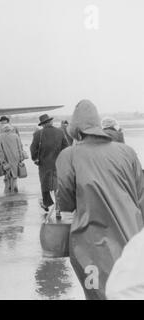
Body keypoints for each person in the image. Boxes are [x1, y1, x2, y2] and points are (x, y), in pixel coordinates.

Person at [56, 99, 144, 300]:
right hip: (132, 238)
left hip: (91, 245)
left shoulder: (68, 156)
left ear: (76, 130)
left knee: (98, 295)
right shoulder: (127, 152)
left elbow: (67, 204)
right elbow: (141, 199)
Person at [30, 114, 68, 213]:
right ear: (50, 122)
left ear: (42, 124)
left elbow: (33, 149)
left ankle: (46, 203)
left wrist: (35, 159)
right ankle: (58, 208)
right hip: (57, 163)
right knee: (57, 186)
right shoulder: (60, 132)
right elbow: (66, 147)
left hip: (44, 163)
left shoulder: (38, 134)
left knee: (44, 184)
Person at [0, 124, 23, 194]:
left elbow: (0, 149)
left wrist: (2, 159)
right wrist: (21, 157)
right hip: (16, 157)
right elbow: (19, 147)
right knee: (15, 173)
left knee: (8, 172)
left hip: (6, 157)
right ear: (11, 129)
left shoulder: (1, 136)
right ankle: (14, 187)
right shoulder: (15, 136)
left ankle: (10, 187)